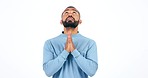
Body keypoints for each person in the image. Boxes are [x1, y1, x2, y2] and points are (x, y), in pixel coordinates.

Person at [43, 6, 98, 78]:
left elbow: (91, 71)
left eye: (74, 12)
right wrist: (65, 51)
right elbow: (48, 71)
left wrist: (74, 51)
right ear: (61, 21)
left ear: (80, 21)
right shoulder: (49, 43)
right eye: (66, 12)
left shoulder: (90, 43)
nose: (70, 14)